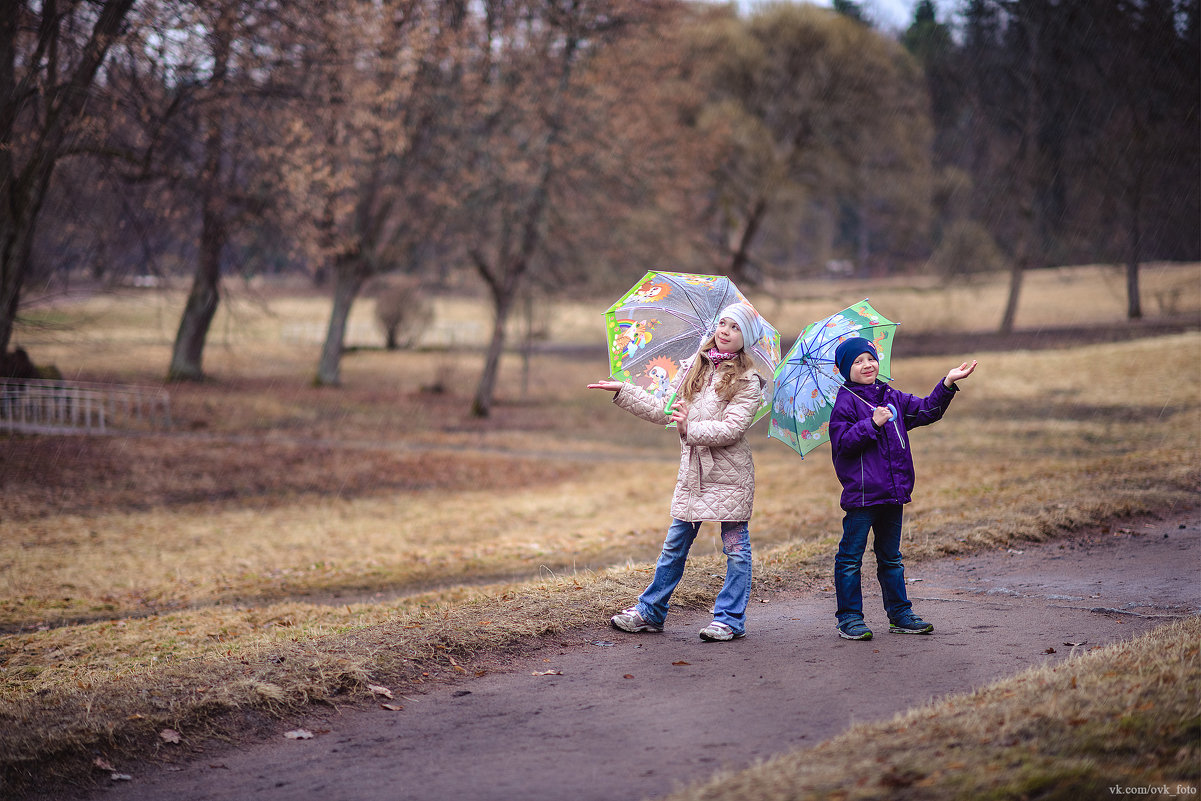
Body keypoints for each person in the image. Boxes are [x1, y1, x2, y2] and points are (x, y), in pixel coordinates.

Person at [587, 303, 768, 642]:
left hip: (729, 476)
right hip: (693, 475)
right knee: (675, 545)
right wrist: (624, 391)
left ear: (746, 339)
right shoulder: (692, 369)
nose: (726, 330)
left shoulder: (747, 381)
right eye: (723, 323)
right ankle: (651, 612)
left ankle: (729, 619)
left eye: (736, 327)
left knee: (736, 549)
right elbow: (663, 409)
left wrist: (689, 428)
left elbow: (732, 429)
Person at [828, 336, 977, 641]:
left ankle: (900, 614)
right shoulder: (845, 403)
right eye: (857, 362)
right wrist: (873, 423)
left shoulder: (889, 395)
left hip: (893, 493)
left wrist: (947, 384)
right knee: (850, 559)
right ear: (844, 368)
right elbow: (843, 445)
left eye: (870, 358)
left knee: (891, 557)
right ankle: (850, 619)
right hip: (863, 496)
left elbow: (926, 411)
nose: (867, 365)